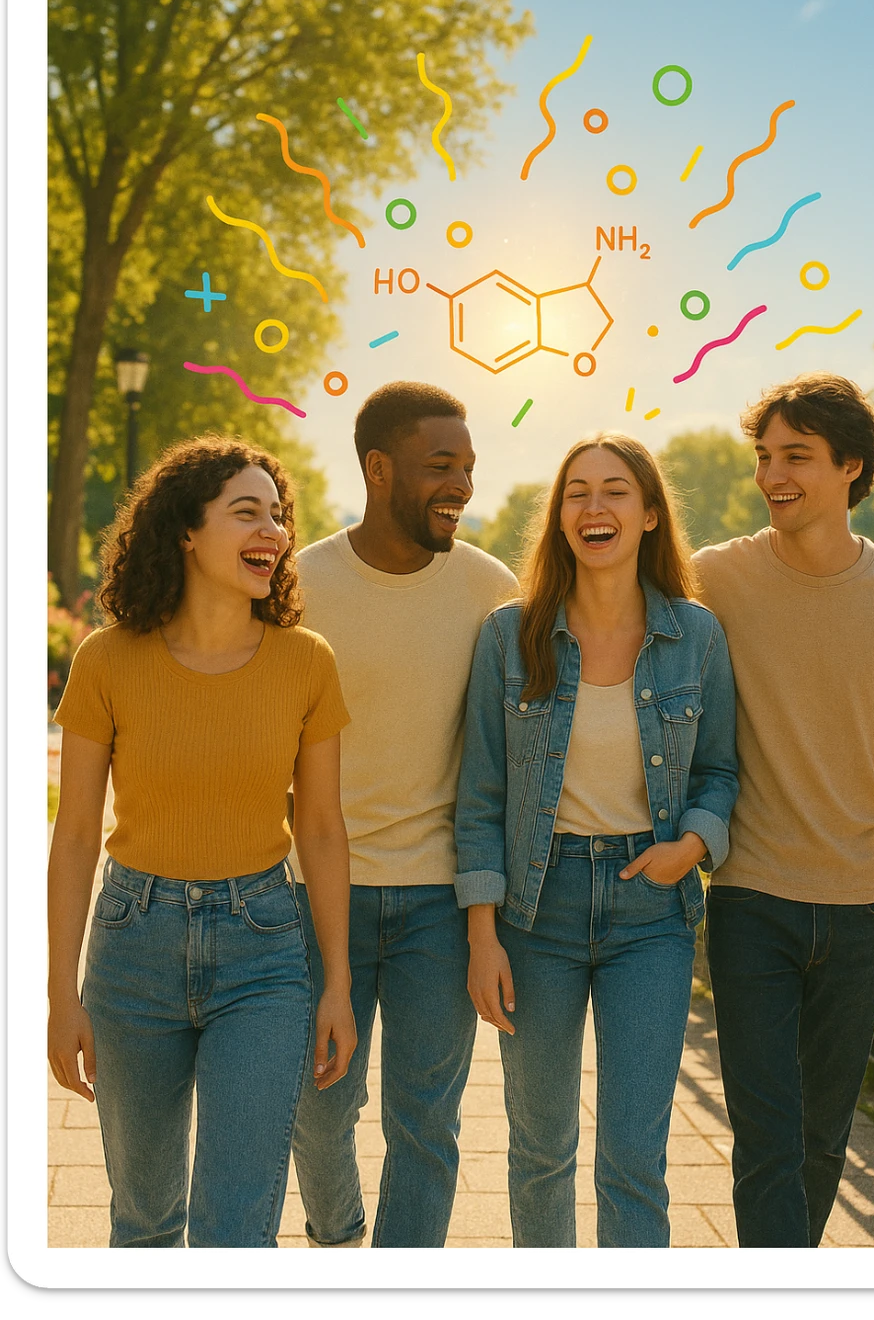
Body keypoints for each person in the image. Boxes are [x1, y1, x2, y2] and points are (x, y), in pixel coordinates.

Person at [47, 436, 356, 1248]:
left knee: (236, 1227)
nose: (276, 532)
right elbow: (76, 834)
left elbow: (322, 829)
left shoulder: (306, 662)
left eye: (279, 516)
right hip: (131, 946)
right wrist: (59, 994)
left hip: (263, 952)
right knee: (144, 1219)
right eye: (246, 512)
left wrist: (339, 985)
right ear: (186, 531)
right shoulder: (107, 661)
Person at [695, 372, 874, 1249]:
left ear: (851, 466)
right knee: (769, 1140)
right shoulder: (716, 578)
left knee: (822, 1141)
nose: (773, 474)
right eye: (765, 457)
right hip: (749, 899)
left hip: (859, 905)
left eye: (797, 457)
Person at [454, 432, 739, 1247]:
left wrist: (694, 845)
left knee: (633, 1156)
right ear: (559, 517)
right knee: (540, 1148)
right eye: (576, 491)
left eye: (615, 490)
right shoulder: (510, 636)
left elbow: (720, 770)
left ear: (650, 514)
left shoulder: (698, 636)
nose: (594, 506)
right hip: (535, 911)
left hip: (651, 912)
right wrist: (483, 933)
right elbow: (479, 794)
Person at [288, 381, 520, 1248]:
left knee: (426, 1125)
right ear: (379, 470)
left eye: (466, 466)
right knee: (316, 1111)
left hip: (437, 902)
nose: (460, 484)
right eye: (439, 466)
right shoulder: (297, 583)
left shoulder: (490, 588)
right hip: (317, 896)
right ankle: (338, 1232)